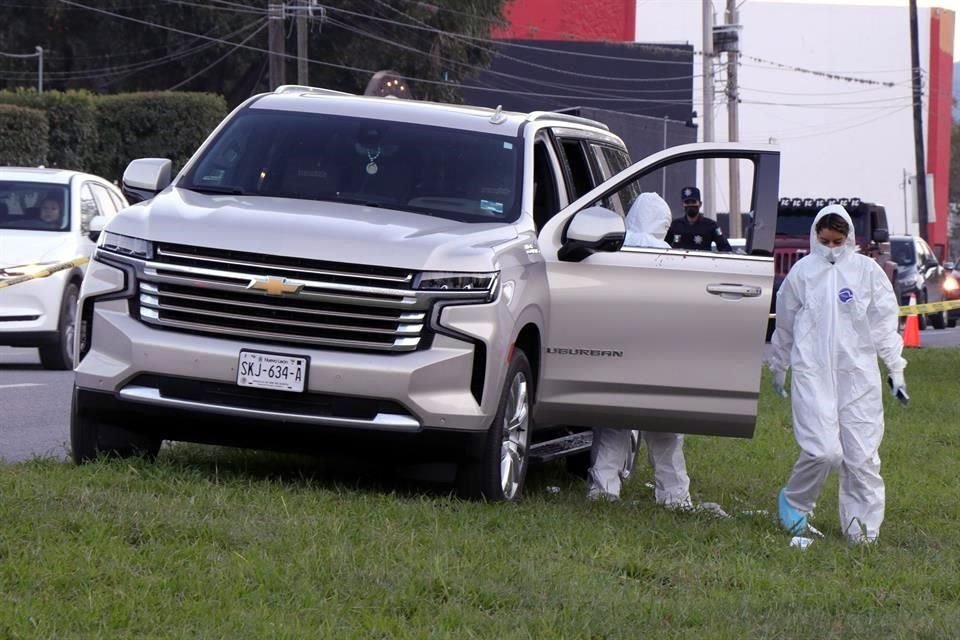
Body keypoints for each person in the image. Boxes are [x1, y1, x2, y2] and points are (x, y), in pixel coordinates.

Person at [768, 204, 906, 544]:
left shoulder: (867, 272)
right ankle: (795, 500)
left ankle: (862, 532)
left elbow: (884, 324)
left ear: (850, 239)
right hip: (812, 372)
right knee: (823, 451)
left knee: (861, 457)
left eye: (837, 241)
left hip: (857, 375)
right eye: (825, 240)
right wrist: (778, 365)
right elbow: (784, 325)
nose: (831, 248)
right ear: (815, 236)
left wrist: (895, 368)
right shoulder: (802, 273)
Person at [586, 192, 692, 508]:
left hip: (619, 349)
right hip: (658, 354)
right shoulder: (670, 254)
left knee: (613, 426)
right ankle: (674, 497)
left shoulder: (612, 244)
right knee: (666, 432)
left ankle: (604, 490)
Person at [666, 186, 732, 252]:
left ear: (700, 204)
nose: (690, 205)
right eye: (687, 203)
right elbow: (663, 247)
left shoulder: (710, 225)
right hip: (678, 262)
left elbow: (725, 249)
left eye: (693, 202)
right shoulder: (675, 226)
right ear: (682, 205)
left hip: (702, 262)